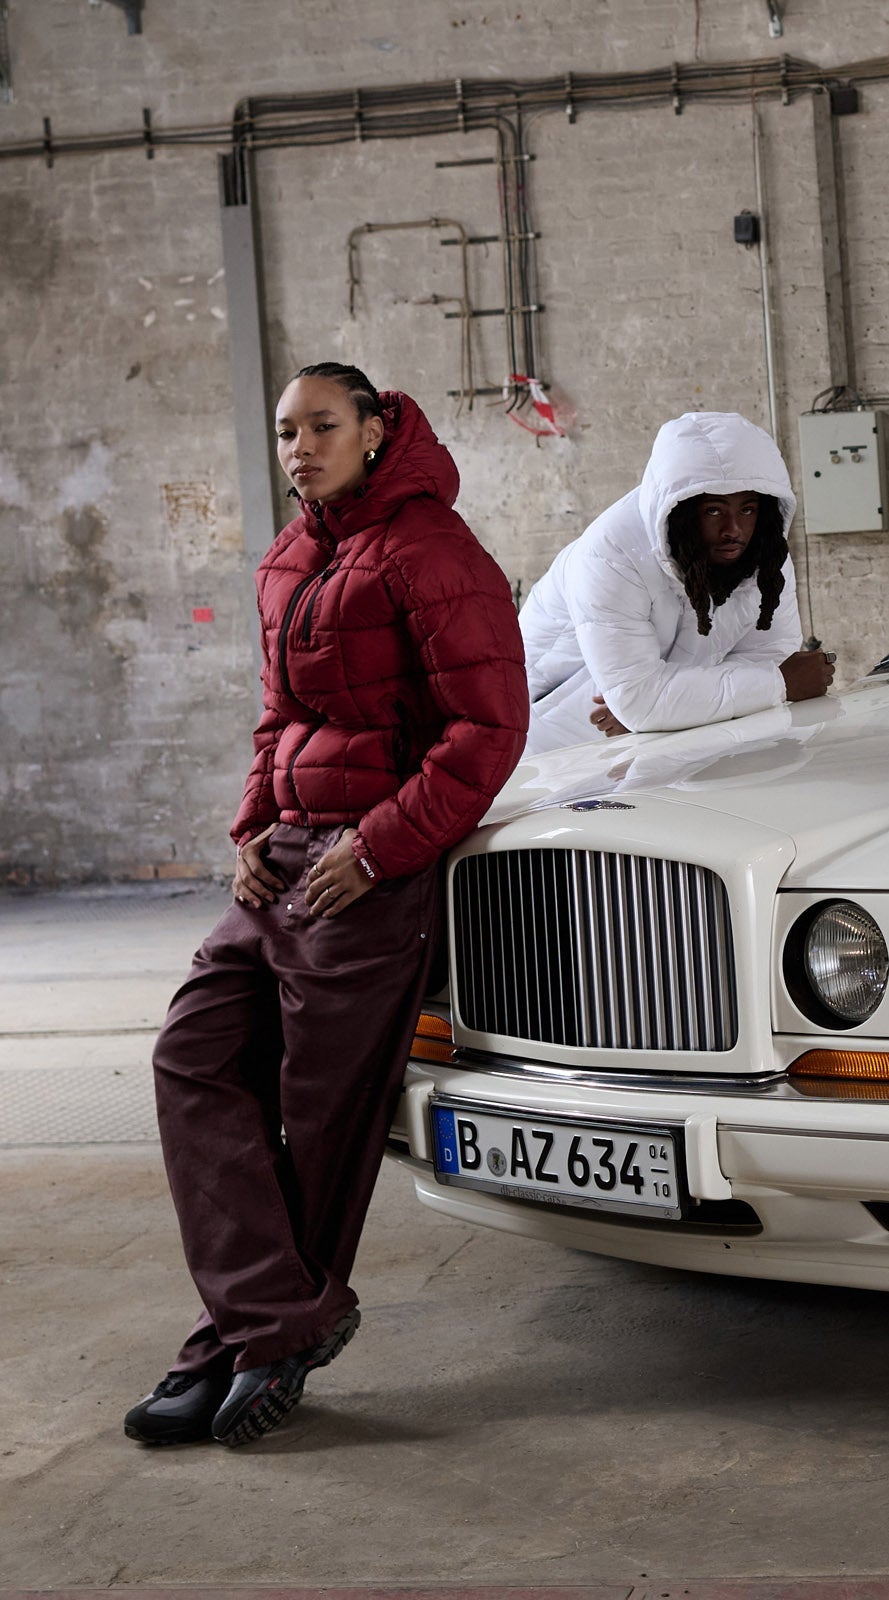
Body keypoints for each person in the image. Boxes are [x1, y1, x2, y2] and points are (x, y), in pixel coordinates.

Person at [127, 364, 528, 1448]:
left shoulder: (434, 552)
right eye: (285, 431)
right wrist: (250, 827)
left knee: (320, 1115)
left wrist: (379, 848)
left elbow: (486, 733)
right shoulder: (291, 556)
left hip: (368, 871)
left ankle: (240, 1343)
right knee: (192, 1056)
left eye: (321, 426)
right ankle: (276, 1321)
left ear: (375, 428)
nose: (299, 447)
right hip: (284, 860)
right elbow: (277, 716)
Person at [518, 412, 832, 755]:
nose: (734, 529)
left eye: (747, 510)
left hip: (653, 748)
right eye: (714, 511)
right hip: (552, 746)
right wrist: (780, 685)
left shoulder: (764, 556)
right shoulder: (608, 556)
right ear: (682, 509)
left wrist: (669, 712)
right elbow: (640, 699)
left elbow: (768, 656)